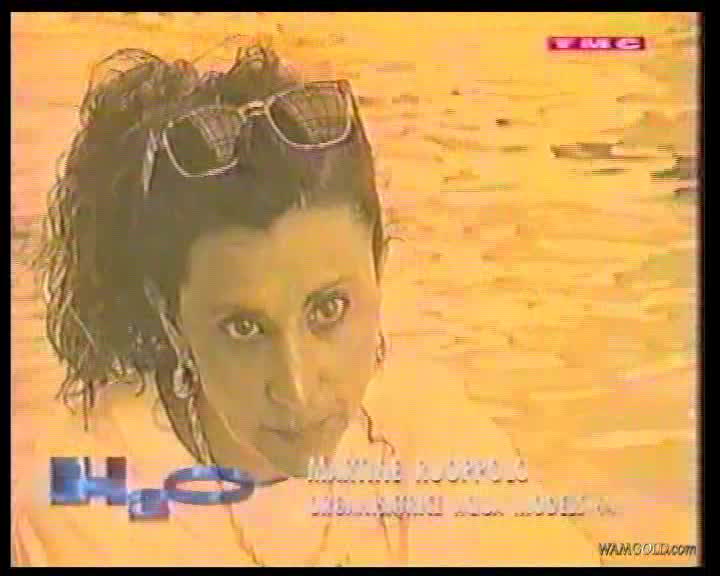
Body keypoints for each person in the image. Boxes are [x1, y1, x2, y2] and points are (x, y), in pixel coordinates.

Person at [12, 41, 601, 566]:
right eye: (244, 328)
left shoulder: (430, 437)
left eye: (328, 311)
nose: (296, 388)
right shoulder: (88, 497)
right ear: (171, 320)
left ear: (379, 269)